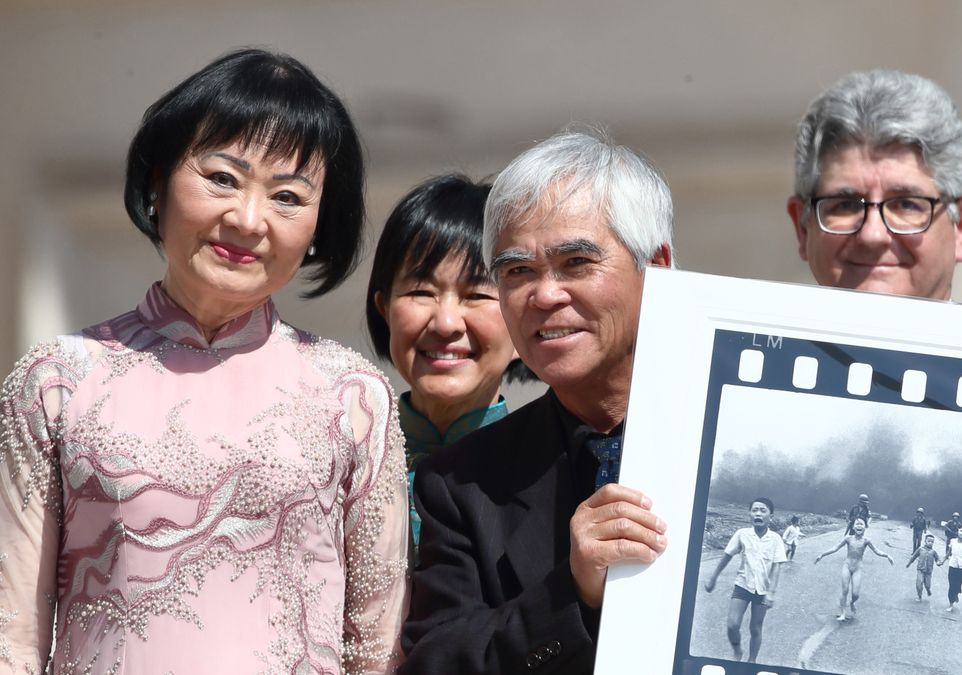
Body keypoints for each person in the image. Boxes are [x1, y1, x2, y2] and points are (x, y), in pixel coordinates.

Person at [0, 49, 408, 673]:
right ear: (158, 181)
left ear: (323, 224)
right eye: (222, 177)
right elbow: (13, 637)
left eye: (289, 197)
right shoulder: (57, 380)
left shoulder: (352, 396)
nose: (247, 219)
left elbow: (379, 645)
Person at [401, 127, 674, 674]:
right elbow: (435, 662)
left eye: (576, 263)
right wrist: (570, 592)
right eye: (518, 271)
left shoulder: (743, 432)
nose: (545, 295)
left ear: (658, 267)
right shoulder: (461, 485)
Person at [366, 174, 529, 549]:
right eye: (421, 292)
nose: (446, 323)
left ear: (524, 324)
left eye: (475, 295)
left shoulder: (551, 471)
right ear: (384, 309)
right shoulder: (345, 459)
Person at [787, 69, 962, 300]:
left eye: (906, 205)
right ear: (803, 228)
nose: (872, 235)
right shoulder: (745, 334)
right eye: (846, 205)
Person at [704, 498, 788, 663]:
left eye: (763, 510)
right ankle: (737, 650)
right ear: (750, 514)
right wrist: (713, 577)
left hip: (763, 590)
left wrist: (771, 593)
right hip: (742, 585)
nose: (758, 514)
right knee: (732, 625)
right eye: (754, 510)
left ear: (771, 515)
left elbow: (777, 567)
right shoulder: (742, 534)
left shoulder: (776, 539)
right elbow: (727, 555)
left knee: (755, 628)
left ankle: (752, 661)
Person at [814, 517, 893, 621]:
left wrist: (887, 555)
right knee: (845, 590)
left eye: (862, 524)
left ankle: (851, 603)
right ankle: (842, 613)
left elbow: (877, 551)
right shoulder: (848, 538)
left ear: (865, 528)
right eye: (857, 524)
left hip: (857, 568)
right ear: (853, 526)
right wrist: (822, 554)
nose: (859, 526)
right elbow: (835, 548)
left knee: (855, 594)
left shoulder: (866, 541)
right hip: (847, 565)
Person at [906, 533, 944, 602]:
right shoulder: (920, 549)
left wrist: (939, 563)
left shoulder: (933, 552)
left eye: (932, 542)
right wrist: (909, 563)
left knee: (927, 584)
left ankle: (928, 589)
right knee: (919, 583)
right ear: (925, 541)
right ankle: (919, 596)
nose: (930, 543)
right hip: (920, 569)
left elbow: (937, 559)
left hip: (928, 571)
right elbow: (913, 557)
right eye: (929, 541)